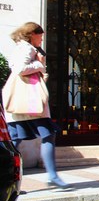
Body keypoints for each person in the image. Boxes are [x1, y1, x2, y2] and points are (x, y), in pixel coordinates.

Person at [3, 22, 71, 189]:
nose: (41, 40)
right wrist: (40, 64)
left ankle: (7, 180)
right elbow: (20, 69)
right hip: (30, 105)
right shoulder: (27, 48)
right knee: (47, 135)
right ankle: (53, 176)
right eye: (40, 36)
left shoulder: (21, 48)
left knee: (14, 141)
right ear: (32, 34)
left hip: (21, 105)